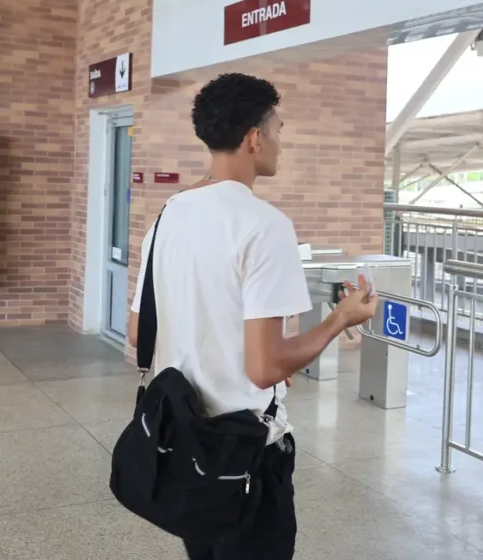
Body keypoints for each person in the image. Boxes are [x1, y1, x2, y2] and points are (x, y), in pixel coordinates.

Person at [126, 72, 378, 560]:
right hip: (244, 451)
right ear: (254, 138)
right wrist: (339, 320)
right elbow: (264, 368)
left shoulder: (167, 216)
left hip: (182, 438)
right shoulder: (265, 226)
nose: (281, 144)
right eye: (279, 131)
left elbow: (140, 336)